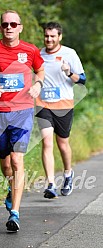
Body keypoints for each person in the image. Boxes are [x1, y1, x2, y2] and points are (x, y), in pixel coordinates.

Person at [0, 10, 44, 232]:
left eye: (14, 24)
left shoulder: (30, 50)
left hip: (22, 112)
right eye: (5, 24)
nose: (9, 28)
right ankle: (11, 187)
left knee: (17, 160)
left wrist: (38, 85)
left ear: (20, 27)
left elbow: (40, 70)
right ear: (0, 28)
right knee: (5, 165)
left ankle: (15, 213)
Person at [36, 22, 86, 199]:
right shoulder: (38, 54)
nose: (49, 39)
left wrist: (69, 72)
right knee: (47, 142)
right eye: (46, 36)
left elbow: (82, 79)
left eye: (52, 36)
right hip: (43, 104)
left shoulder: (69, 53)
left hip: (64, 105)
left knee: (62, 143)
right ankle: (50, 184)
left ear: (59, 37)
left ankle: (68, 174)